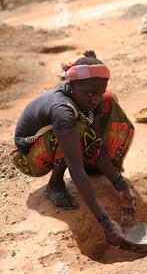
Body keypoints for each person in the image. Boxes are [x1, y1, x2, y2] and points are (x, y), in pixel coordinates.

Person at [12, 50, 136, 251]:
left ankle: (96, 169)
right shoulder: (62, 110)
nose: (95, 99)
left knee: (105, 105)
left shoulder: (89, 99)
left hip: (64, 139)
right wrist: (106, 222)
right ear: (72, 85)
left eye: (99, 93)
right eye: (90, 93)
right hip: (30, 158)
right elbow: (76, 170)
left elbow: (95, 144)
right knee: (74, 132)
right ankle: (54, 184)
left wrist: (121, 186)